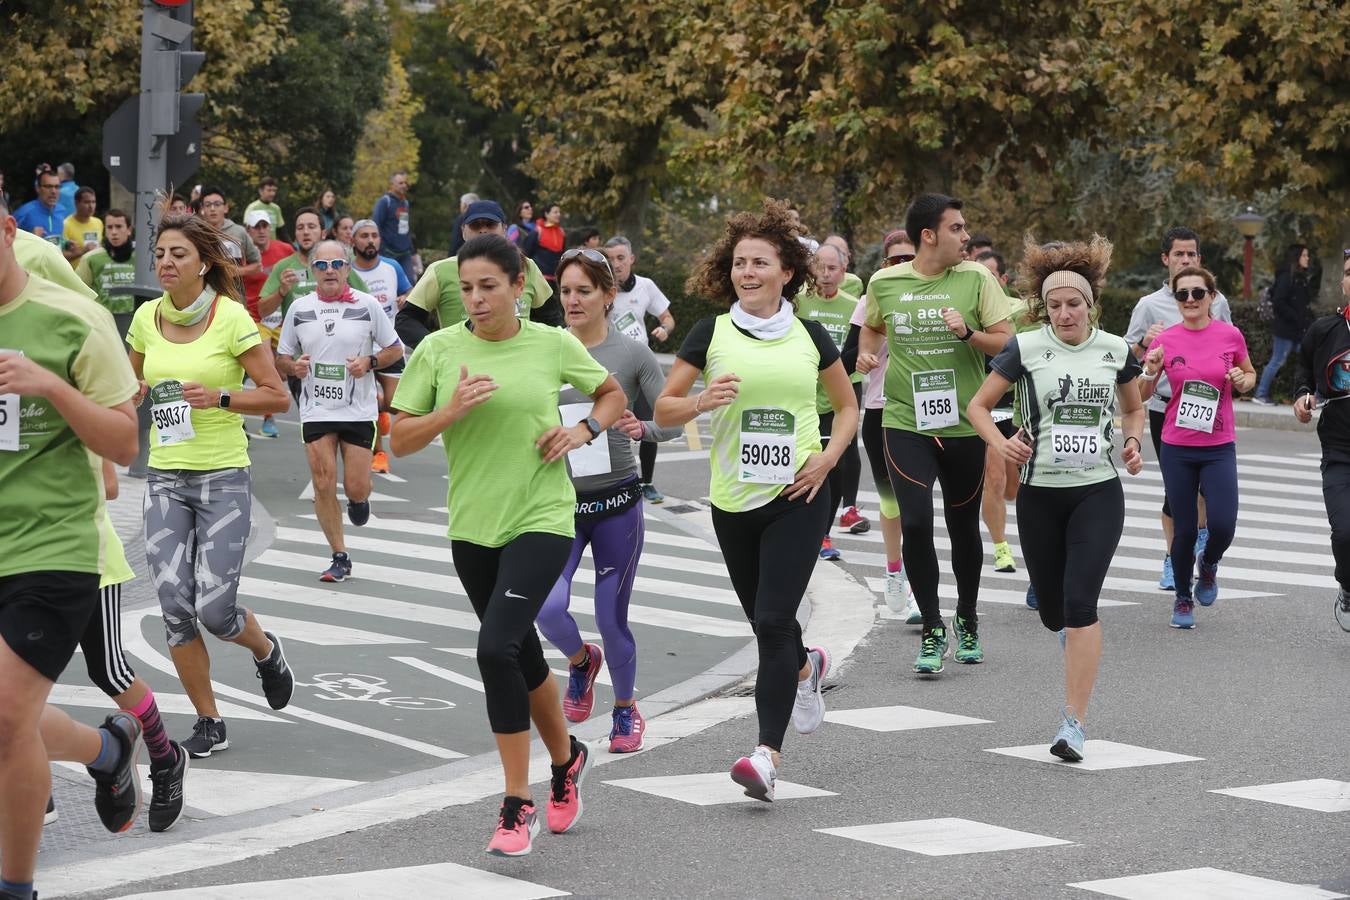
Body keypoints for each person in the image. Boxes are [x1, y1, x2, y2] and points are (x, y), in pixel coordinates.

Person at [390, 234, 625, 856]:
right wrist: (450, 411)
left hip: (543, 515)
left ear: (519, 286)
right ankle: (569, 757)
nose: (476, 299)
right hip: (473, 525)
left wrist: (583, 428)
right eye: (465, 289)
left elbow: (612, 394)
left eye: (489, 286)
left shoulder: (551, 344)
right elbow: (401, 439)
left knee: (494, 648)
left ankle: (516, 804)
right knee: (519, 656)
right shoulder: (439, 350)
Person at [655, 200, 858, 802]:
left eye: (759, 263)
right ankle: (804, 668)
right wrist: (700, 402)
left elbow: (847, 406)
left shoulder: (810, 334)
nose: (747, 272)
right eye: (739, 263)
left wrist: (826, 456)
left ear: (786, 272)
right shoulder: (709, 332)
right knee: (768, 625)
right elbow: (664, 409)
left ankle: (766, 754)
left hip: (799, 492)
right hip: (733, 500)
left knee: (773, 620)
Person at [0, 196, 145, 900]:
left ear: (9, 232)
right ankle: (106, 747)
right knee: (11, 718)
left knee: (3, 718)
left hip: (50, 549)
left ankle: (17, 885)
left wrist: (50, 386)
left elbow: (123, 441)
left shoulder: (71, 317)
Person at [968, 234, 1145, 762]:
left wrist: (1132, 442)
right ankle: (1070, 636)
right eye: (1054, 305)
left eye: (1074, 304)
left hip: (1097, 491)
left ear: (1091, 305)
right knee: (1052, 610)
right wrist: (1004, 444)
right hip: (1041, 494)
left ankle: (1073, 723)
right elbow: (979, 407)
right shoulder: (1024, 347)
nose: (1064, 313)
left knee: (1079, 603)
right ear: (1042, 309)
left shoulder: (1116, 350)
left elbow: (1133, 409)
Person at [126, 211, 296, 758]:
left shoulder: (231, 320)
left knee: (216, 610)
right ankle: (209, 720)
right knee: (175, 606)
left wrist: (220, 397)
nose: (167, 263)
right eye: (161, 254)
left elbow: (276, 395)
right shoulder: (146, 319)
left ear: (203, 263)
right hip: (166, 478)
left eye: (179, 254)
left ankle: (266, 650)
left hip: (223, 476)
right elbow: (130, 385)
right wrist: (124, 399)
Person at [857, 193, 1013, 673]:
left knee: (963, 526)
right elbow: (873, 330)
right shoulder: (884, 281)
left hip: (964, 422)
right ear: (929, 235)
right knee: (917, 523)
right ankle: (931, 626)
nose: (966, 237)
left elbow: (1006, 341)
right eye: (957, 228)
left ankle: (966, 616)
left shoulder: (976, 278)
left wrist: (968, 334)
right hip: (905, 420)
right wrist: (866, 355)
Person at [535, 248, 680, 753]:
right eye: (565, 290)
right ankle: (580, 662)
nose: (571, 300)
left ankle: (624, 709)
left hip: (617, 503)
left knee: (609, 615)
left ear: (608, 296)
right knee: (547, 609)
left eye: (583, 291)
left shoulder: (632, 354)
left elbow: (673, 418)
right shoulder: (546, 348)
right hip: (559, 505)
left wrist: (647, 428)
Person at [69, 460, 191, 831]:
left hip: (87, 560)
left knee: (108, 671)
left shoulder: (67, 405)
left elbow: (108, 484)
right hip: (18, 565)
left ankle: (164, 756)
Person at [276, 240, 403, 582]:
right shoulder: (300, 308)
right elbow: (282, 357)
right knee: (322, 482)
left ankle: (360, 501)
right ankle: (339, 555)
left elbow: (394, 348)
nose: (329, 271)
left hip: (358, 410)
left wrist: (370, 361)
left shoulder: (367, 306)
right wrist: (294, 367)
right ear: (312, 271)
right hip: (316, 409)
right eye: (321, 265)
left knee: (357, 487)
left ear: (347, 268)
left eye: (336, 265)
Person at [1139, 266, 1254, 628]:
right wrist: (1149, 370)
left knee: (1223, 525)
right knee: (1185, 529)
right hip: (1177, 445)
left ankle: (1208, 565)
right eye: (1182, 294)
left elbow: (1249, 376)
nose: (1189, 300)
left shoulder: (1230, 335)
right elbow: (1140, 395)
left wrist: (1241, 379)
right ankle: (1183, 598)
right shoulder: (1166, 340)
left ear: (1211, 297)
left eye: (1197, 293)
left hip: (1218, 445)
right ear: (1175, 300)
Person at [1124, 227, 1233, 591]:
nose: (1185, 260)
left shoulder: (1216, 302)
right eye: (1179, 254)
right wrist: (1145, 343)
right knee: (1179, 491)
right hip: (1166, 406)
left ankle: (1199, 549)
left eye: (1192, 254)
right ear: (1165, 259)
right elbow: (1125, 358)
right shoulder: (1149, 305)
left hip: (1210, 408)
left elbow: (1232, 349)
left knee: (1208, 489)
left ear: (1199, 259)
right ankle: (1175, 558)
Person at [843, 230, 917, 620]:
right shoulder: (871, 299)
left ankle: (920, 583)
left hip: (929, 414)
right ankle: (894, 573)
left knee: (919, 506)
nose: (901, 266)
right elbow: (848, 355)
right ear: (883, 265)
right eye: (894, 261)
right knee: (893, 502)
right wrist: (863, 360)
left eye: (909, 258)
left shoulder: (937, 297)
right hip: (882, 410)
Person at [396, 200, 556, 350]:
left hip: (520, 366)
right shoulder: (440, 270)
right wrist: (438, 351)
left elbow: (552, 318)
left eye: (490, 224)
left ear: (505, 229)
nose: (483, 230)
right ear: (463, 231)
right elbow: (406, 320)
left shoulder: (527, 266)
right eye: (475, 225)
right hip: (464, 371)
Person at [797, 242, 867, 559]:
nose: (825, 275)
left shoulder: (854, 306)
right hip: (803, 395)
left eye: (832, 269)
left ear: (843, 272)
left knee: (834, 464)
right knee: (801, 462)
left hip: (840, 396)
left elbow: (864, 346)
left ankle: (823, 535)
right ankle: (797, 528)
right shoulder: (797, 303)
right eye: (820, 268)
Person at [1293, 249, 1350, 631]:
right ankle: (1347, 585)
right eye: (1348, 272)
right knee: (1346, 531)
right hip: (1339, 451)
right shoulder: (1324, 330)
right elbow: (1303, 367)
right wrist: (1301, 395)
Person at [603, 235, 676, 504]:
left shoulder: (645, 286)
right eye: (610, 259)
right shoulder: (601, 288)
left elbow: (667, 317)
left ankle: (647, 482)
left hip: (641, 366)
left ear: (631, 259)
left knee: (648, 423)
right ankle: (610, 480)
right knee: (607, 425)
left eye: (621, 258)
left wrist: (664, 329)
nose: (616, 264)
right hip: (610, 367)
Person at [974, 248, 1029, 576]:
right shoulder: (966, 308)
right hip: (984, 404)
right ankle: (1000, 547)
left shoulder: (1017, 311)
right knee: (993, 480)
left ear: (1003, 280)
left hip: (1015, 405)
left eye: (990, 277)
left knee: (1012, 486)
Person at [351, 218, 413, 473]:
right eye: (364, 236)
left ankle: (381, 411)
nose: (370, 240)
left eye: (374, 235)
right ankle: (379, 452)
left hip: (389, 344)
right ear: (353, 241)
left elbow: (410, 292)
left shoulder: (392, 267)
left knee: (394, 402)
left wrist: (404, 298)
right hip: (359, 345)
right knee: (365, 400)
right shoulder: (348, 271)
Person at [242, 209, 296, 438]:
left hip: (281, 317)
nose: (262, 231)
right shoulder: (243, 254)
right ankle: (268, 419)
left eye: (265, 226)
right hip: (254, 316)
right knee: (267, 366)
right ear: (248, 230)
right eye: (257, 227)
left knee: (282, 373)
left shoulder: (284, 250)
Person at [1254, 244, 1314, 405]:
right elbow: (1279, 302)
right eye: (1304, 255)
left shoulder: (1300, 277)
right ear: (1297, 258)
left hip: (1299, 330)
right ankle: (1260, 394)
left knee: (1310, 360)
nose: (1307, 258)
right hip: (1286, 329)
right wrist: (1296, 317)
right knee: (1277, 360)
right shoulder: (1286, 277)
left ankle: (1314, 396)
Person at [76, 208, 137, 328]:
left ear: (129, 230)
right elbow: (76, 289)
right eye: (109, 227)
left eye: (119, 226)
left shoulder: (142, 258)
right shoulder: (91, 258)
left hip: (134, 321)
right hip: (102, 322)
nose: (114, 232)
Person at [198, 186, 261, 301]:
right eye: (208, 205)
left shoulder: (239, 232)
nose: (212, 208)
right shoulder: (196, 234)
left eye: (217, 204)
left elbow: (257, 266)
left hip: (234, 298)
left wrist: (236, 271)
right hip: (203, 299)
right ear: (202, 209)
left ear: (226, 208)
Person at [372, 171, 419, 283]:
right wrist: (381, 249)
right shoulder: (385, 201)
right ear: (392, 185)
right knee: (390, 283)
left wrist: (412, 251)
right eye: (400, 183)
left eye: (405, 183)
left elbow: (406, 228)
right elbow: (376, 226)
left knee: (409, 284)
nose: (404, 185)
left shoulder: (405, 203)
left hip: (405, 253)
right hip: (388, 253)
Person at [14, 167, 66, 247]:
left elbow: (60, 241)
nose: (53, 191)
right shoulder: (24, 212)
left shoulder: (62, 211)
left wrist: (67, 244)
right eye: (48, 186)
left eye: (57, 187)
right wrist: (31, 238)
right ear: (38, 188)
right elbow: (7, 242)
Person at [525, 202, 566, 286]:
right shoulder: (537, 231)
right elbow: (526, 253)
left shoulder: (562, 232)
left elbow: (563, 255)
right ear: (546, 214)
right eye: (555, 212)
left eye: (559, 212)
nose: (559, 214)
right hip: (539, 278)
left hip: (556, 279)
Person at [62, 187, 103, 264]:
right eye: (87, 202)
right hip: (75, 273)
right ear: (76, 203)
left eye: (93, 202)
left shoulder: (98, 222)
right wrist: (83, 251)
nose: (91, 206)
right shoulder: (66, 225)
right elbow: (60, 256)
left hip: (94, 272)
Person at [822, 234, 865, 299]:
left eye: (842, 254)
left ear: (848, 258)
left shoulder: (854, 282)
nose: (837, 258)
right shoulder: (808, 284)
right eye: (831, 253)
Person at [447, 192, 481, 256]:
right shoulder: (483, 218)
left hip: (463, 256)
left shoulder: (462, 218)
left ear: (464, 205)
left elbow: (456, 242)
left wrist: (450, 257)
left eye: (461, 203)